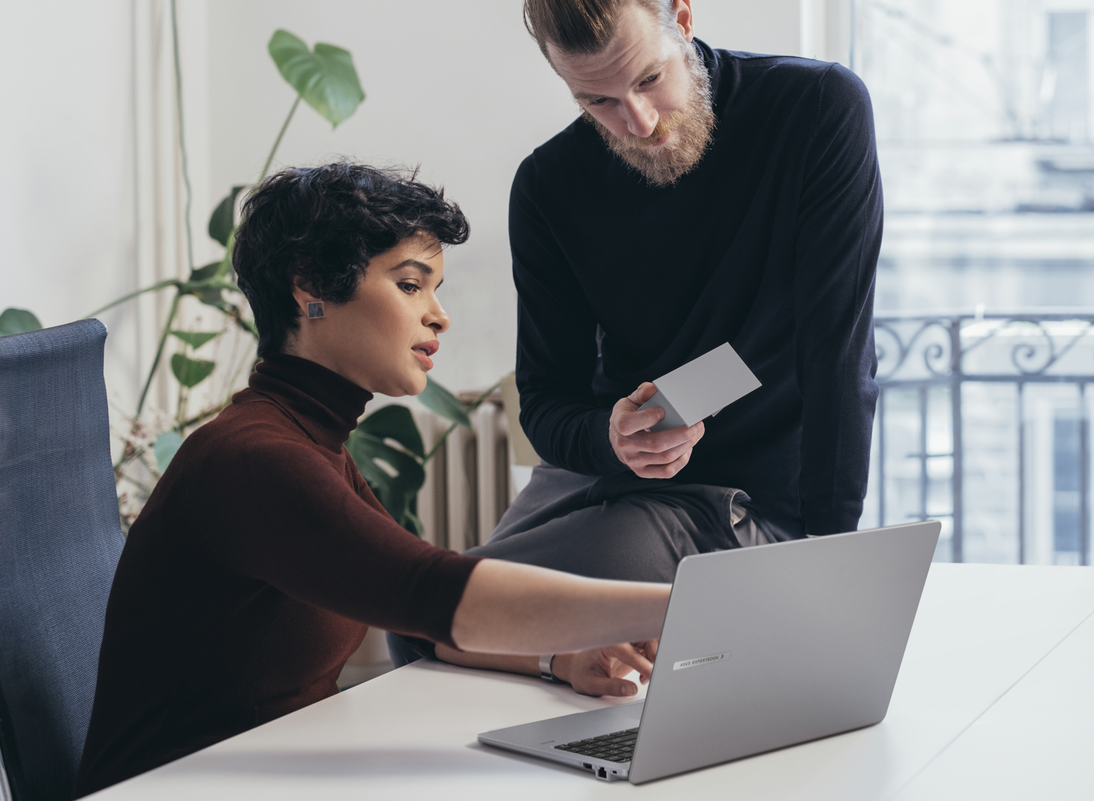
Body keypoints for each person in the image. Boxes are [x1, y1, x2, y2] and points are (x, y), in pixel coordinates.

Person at [75, 163, 668, 797]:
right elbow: (434, 595)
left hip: (270, 772)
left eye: (435, 290)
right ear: (310, 289)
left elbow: (417, 622)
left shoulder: (312, 441)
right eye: (411, 285)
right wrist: (678, 606)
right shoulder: (252, 458)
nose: (439, 317)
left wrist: (562, 659)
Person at [468, 0, 883, 587]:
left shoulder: (815, 112)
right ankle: (570, 662)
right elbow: (546, 398)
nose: (637, 122)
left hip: (747, 501)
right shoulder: (547, 186)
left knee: (467, 614)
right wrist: (610, 436)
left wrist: (829, 558)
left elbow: (837, 355)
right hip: (609, 474)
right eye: (596, 101)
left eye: (650, 79)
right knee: (429, 620)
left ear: (683, 19)